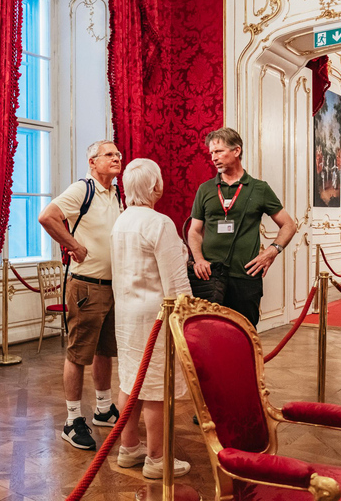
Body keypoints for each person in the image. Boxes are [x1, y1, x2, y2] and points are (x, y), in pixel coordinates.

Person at [38, 140, 123, 451]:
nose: (116, 159)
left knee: (104, 351)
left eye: (118, 155)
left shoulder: (116, 194)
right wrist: (73, 245)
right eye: (109, 155)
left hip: (113, 288)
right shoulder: (82, 189)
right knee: (78, 354)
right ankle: (72, 420)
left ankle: (103, 408)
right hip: (86, 286)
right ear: (92, 161)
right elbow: (47, 216)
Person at [110, 158, 192, 479]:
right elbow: (175, 285)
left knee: (130, 381)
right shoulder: (160, 223)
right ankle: (157, 459)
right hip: (156, 316)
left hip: (127, 314)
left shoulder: (121, 222)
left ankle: (129, 449)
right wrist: (188, 318)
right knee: (157, 385)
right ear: (156, 186)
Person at [187, 127, 296, 327]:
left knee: (244, 336)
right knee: (209, 337)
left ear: (236, 151)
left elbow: (289, 224)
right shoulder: (206, 189)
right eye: (211, 153)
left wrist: (273, 251)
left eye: (219, 151)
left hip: (245, 278)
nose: (214, 157)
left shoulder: (259, 188)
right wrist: (199, 259)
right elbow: (194, 231)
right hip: (210, 278)